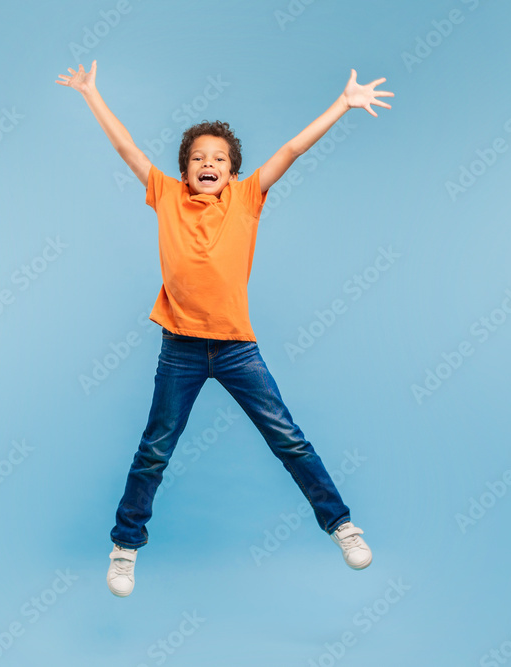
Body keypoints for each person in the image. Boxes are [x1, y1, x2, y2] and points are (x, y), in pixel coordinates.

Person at [56, 60, 393, 597]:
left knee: (289, 440)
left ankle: (341, 526)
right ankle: (125, 546)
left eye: (217, 159)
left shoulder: (247, 198)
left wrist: (342, 104)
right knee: (155, 449)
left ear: (232, 172)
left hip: (236, 347)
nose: (206, 164)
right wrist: (92, 95)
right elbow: (127, 150)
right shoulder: (166, 195)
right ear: (185, 170)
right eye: (196, 158)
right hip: (181, 348)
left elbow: (291, 150)